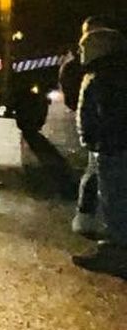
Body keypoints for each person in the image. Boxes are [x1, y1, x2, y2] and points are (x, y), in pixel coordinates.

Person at [73, 24, 127, 277]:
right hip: (114, 146)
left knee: (114, 199)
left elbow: (109, 116)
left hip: (112, 149)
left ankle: (116, 252)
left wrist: (100, 142)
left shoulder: (103, 76)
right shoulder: (115, 71)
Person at [60, 16, 117, 237]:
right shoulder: (82, 66)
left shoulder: (100, 70)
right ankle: (94, 221)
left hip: (106, 140)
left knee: (103, 180)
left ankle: (102, 227)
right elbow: (76, 100)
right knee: (100, 178)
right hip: (104, 139)